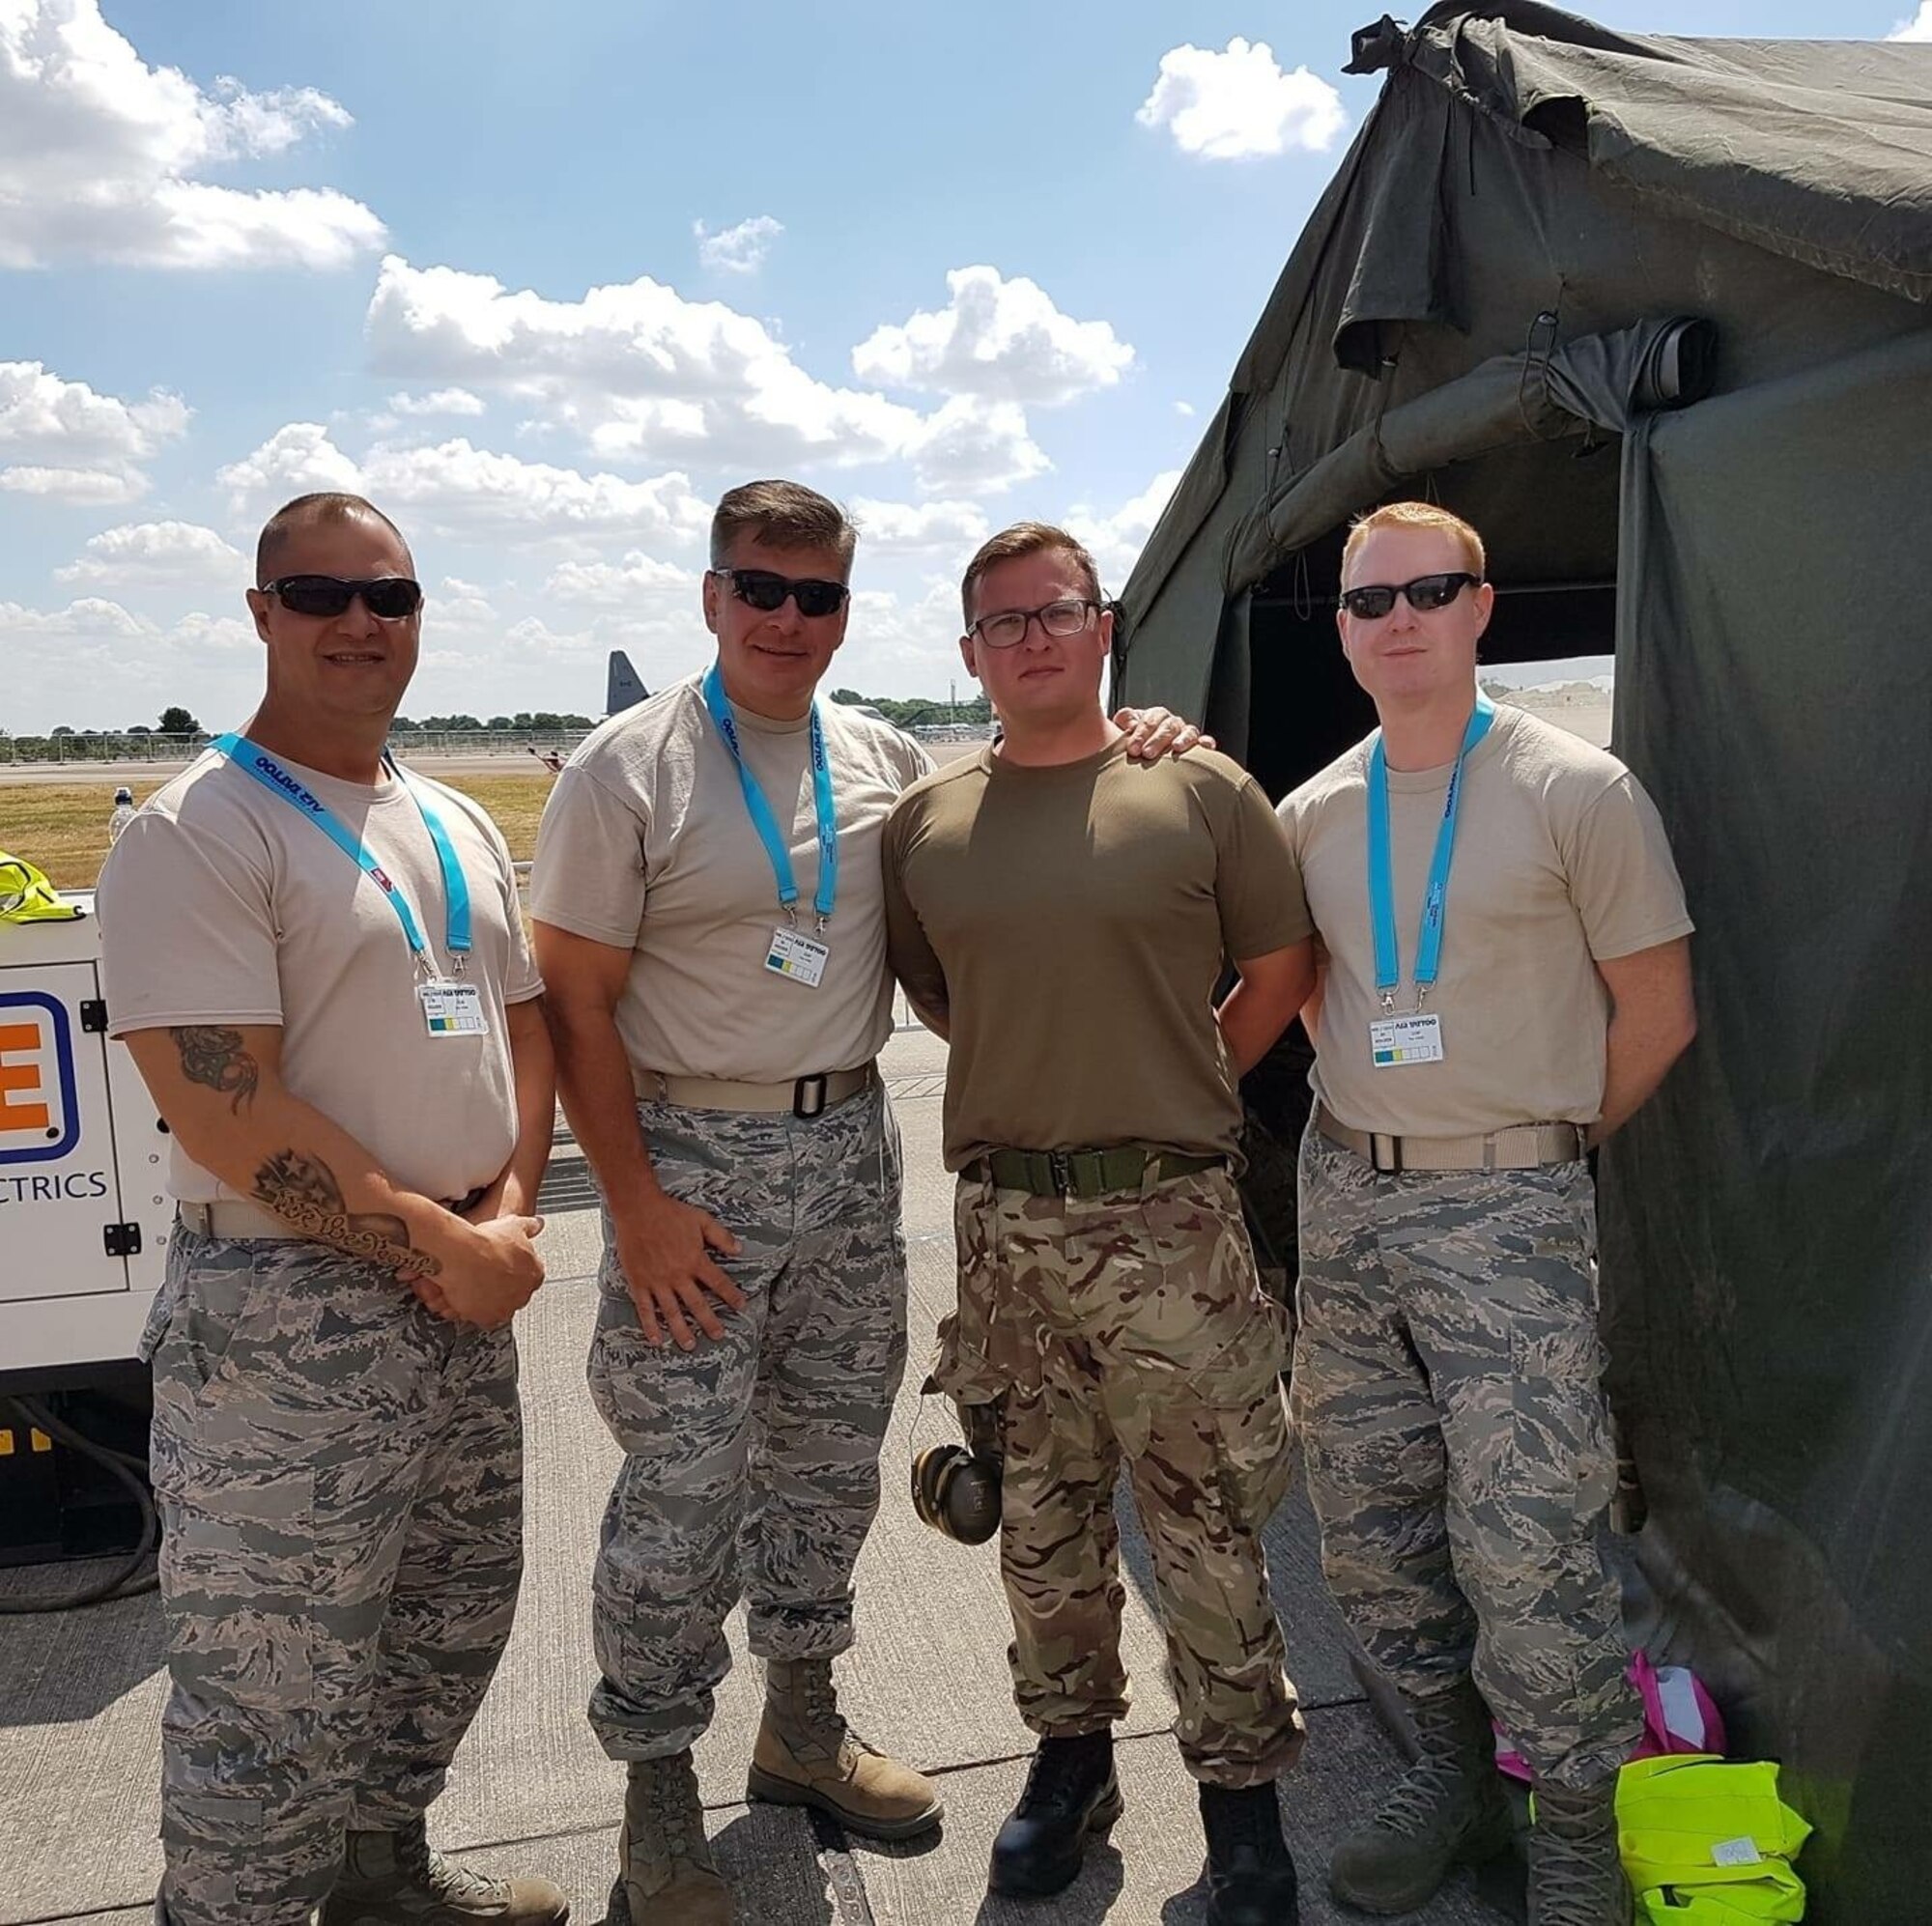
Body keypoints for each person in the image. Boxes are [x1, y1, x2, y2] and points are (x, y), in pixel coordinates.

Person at [527, 480, 1202, 1926]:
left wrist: (1152, 737)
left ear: (846, 609)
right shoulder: (626, 768)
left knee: (828, 1467)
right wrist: (630, 1204)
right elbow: (570, 1003)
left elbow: (1009, 825)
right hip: (689, 1170)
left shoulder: (878, 752)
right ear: (712, 596)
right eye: (757, 587)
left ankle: (802, 1725)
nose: (785, 617)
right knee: (679, 1493)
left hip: (846, 1157)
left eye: (815, 594)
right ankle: (655, 1799)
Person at [97, 494, 565, 1926]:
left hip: (458, 1281)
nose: (360, 622)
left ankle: (380, 1881)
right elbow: (227, 1107)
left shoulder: (453, 815)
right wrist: (447, 1247)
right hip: (285, 1318)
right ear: (259, 612)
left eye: (391, 596)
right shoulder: (199, 831)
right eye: (319, 593)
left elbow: (525, 1025)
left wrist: (509, 1206)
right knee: (269, 1699)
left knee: (447, 1620)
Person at [882, 523, 1317, 1926]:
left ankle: (1243, 1802)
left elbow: (1276, 965)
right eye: (1001, 622)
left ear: (1103, 624)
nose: (1031, 638)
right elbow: (950, 995)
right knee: (1040, 1520)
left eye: (1056, 611)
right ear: (970, 653)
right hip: (1008, 1231)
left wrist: (1177, 1083)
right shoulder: (930, 824)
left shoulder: (1197, 787)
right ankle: (1072, 1762)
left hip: (1172, 1224)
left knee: (1206, 1527)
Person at [1278, 501, 1696, 1925]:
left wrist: (1543, 1147)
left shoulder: (1578, 787)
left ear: (1479, 609)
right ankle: (1447, 1770)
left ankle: (1574, 1817)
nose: (1395, 617)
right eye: (1366, 599)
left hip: (1511, 1203)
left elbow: (1659, 1012)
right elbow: (1301, 996)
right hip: (1347, 1200)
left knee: (1529, 1532)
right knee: (1371, 1522)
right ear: (1339, 628)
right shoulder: (1314, 813)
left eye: (1426, 591)